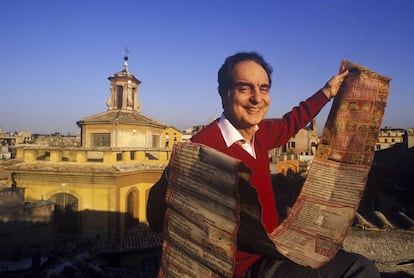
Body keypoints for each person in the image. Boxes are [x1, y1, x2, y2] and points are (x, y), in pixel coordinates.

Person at [147, 52, 380, 277]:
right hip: (247, 267)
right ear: (224, 93)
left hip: (275, 250)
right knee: (359, 269)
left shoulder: (259, 135)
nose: (257, 98)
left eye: (263, 88)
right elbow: (157, 220)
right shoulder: (203, 148)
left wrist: (327, 92)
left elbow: (292, 121)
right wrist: (173, 174)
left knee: (345, 260)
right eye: (244, 88)